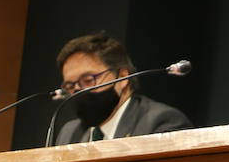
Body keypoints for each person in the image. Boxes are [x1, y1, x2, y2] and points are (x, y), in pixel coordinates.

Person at [53, 33, 191, 145]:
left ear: (123, 77)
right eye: (70, 86)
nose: (79, 91)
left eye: (88, 80)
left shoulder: (161, 122)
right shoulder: (69, 133)